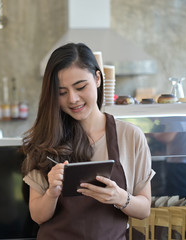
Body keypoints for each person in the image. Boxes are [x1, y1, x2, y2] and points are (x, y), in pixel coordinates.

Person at [21, 43, 155, 239]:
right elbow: (38, 216)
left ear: (98, 79)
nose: (73, 99)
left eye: (80, 87)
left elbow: (144, 210)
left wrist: (119, 197)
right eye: (62, 92)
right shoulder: (46, 138)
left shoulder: (130, 136)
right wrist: (51, 192)